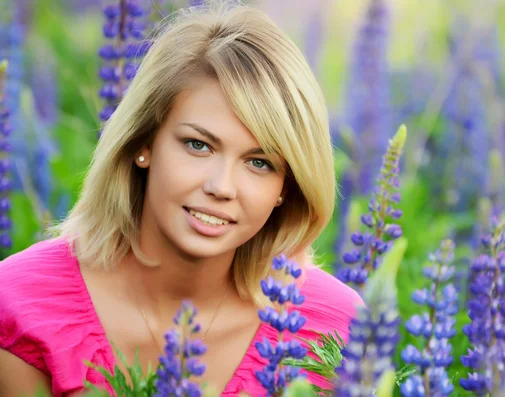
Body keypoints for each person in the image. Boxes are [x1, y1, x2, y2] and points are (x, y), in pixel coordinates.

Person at [0, 2, 363, 396]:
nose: (222, 186)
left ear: (285, 188)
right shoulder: (24, 304)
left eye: (259, 163)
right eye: (198, 144)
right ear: (144, 143)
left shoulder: (333, 327)